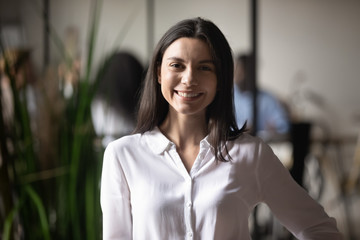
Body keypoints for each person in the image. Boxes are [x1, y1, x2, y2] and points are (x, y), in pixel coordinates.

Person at [100, 17, 342, 239]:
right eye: (177, 65)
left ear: (220, 80)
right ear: (159, 73)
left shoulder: (250, 154)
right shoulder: (122, 155)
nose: (189, 79)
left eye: (204, 67)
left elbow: (318, 229)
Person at [234, 54, 290, 139]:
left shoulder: (267, 99)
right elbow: (217, 127)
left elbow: (284, 126)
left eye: (243, 71)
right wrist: (242, 129)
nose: (239, 75)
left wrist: (275, 129)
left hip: (261, 146)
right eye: (237, 70)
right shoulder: (224, 97)